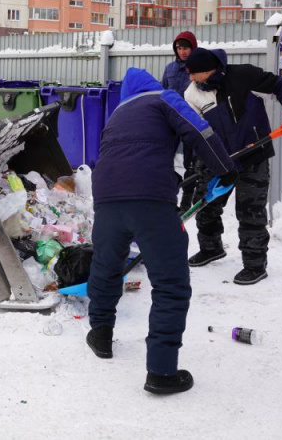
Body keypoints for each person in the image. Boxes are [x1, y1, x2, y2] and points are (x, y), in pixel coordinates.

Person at [87, 67, 237, 395]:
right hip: (150, 199)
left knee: (106, 265)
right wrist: (225, 169)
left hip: (106, 198)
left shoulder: (118, 113)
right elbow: (199, 131)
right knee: (170, 283)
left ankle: (100, 333)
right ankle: (162, 371)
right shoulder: (163, 98)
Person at [182, 48, 282, 285]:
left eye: (194, 73)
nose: (191, 79)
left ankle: (255, 265)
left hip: (253, 155)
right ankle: (211, 248)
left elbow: (279, 85)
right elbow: (197, 133)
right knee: (206, 205)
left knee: (250, 211)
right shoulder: (192, 94)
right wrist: (202, 162)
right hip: (220, 160)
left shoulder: (242, 75)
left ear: (209, 70)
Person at [162, 31, 198, 212]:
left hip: (191, 119)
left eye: (186, 48)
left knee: (190, 162)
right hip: (171, 120)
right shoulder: (170, 69)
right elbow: (163, 91)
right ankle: (169, 198)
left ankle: (187, 199)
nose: (183, 52)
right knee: (167, 160)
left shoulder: (197, 68)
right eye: (180, 48)